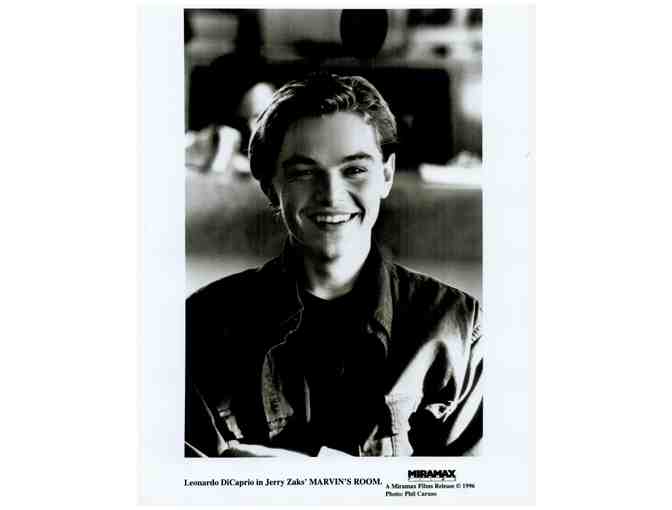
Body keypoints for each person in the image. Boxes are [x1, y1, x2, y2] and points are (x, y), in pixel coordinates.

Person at [185, 73, 483, 457]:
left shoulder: (457, 328)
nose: (330, 194)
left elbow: (471, 486)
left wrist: (310, 477)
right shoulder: (202, 325)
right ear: (270, 186)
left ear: (386, 175)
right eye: (304, 172)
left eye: (354, 169)